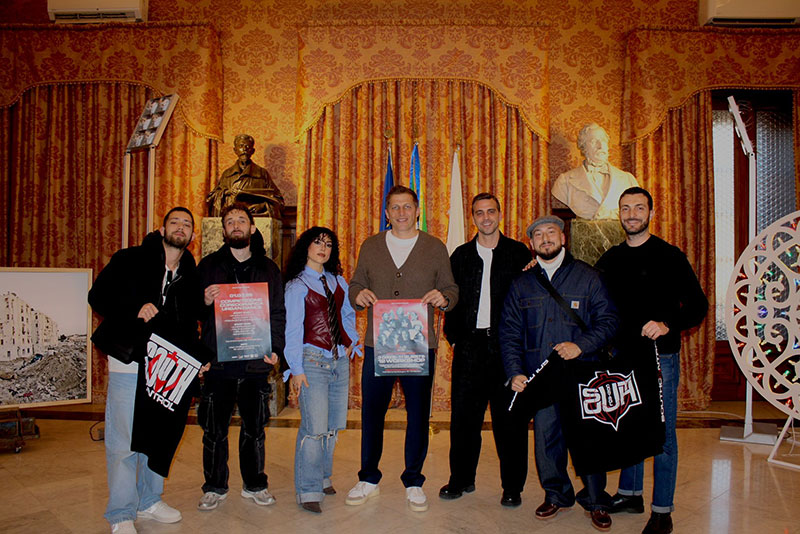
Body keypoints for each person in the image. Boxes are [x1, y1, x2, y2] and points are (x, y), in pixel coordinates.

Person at [595, 187, 708, 534]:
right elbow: (587, 293)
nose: (632, 214)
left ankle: (662, 511)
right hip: (622, 359)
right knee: (628, 426)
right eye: (625, 208)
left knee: (662, 435)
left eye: (639, 208)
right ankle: (630, 494)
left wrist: (667, 323)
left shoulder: (669, 256)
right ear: (619, 214)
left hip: (661, 359)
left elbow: (698, 306)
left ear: (651, 213)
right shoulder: (611, 259)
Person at [499, 215, 619, 531]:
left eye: (551, 232)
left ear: (563, 238)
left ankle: (596, 499)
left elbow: (609, 321)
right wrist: (515, 372)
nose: (545, 239)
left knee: (589, 440)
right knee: (546, 440)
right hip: (541, 377)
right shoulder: (521, 283)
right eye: (538, 235)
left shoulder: (589, 277)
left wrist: (581, 345)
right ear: (532, 243)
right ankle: (556, 494)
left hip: (583, 376)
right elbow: (509, 331)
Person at [89, 207, 201, 534]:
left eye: (186, 224)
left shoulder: (190, 272)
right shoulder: (130, 258)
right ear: (162, 229)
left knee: (157, 436)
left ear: (192, 235)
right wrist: (133, 309)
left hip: (167, 369)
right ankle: (121, 512)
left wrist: (199, 358)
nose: (180, 227)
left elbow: (188, 325)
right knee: (124, 440)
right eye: (174, 222)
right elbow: (97, 296)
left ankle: (149, 500)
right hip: (130, 361)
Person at [346, 185, 459, 512]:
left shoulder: (434, 247)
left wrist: (444, 298)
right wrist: (358, 295)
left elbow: (451, 288)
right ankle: (368, 477)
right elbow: (356, 284)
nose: (401, 213)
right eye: (394, 207)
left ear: (417, 210)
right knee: (372, 413)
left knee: (418, 415)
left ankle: (413, 480)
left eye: (407, 206)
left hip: (418, 345)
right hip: (378, 344)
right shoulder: (371, 246)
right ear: (387, 213)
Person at [439, 193, 532, 507]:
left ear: (500, 214)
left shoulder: (519, 253)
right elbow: (451, 299)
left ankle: (512, 487)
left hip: (507, 349)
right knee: (464, 421)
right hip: (469, 347)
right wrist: (454, 338)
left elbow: (529, 300)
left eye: (491, 211)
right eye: (479, 213)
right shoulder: (461, 256)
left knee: (510, 422)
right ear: (473, 217)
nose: (486, 217)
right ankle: (461, 479)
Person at [195, 202, 286, 512]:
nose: (236, 225)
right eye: (230, 221)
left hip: (254, 363)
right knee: (214, 431)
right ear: (223, 230)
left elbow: (277, 313)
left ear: (252, 228)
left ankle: (255, 485)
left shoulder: (269, 269)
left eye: (241, 220)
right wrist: (204, 301)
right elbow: (191, 312)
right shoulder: (208, 266)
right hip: (217, 363)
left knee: (254, 430)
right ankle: (214, 487)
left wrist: (275, 349)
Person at [283, 227, 359, 514]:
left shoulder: (338, 281)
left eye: (328, 244)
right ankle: (308, 489)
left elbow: (347, 314)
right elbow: (292, 330)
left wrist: (351, 342)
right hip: (312, 361)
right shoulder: (297, 285)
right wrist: (296, 368)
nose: (323, 248)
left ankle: (324, 477)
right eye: (317, 242)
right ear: (306, 246)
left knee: (332, 427)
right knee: (314, 428)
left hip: (338, 361)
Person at [551, 123, 639, 220]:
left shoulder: (628, 180)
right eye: (594, 141)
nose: (600, 146)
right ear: (583, 147)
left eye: (603, 140)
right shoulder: (565, 181)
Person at [206, 134, 285, 217]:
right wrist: (226, 192)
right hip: (232, 217)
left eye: (248, 146)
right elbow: (212, 198)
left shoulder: (262, 173)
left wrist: (263, 206)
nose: (244, 149)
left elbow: (278, 200)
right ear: (235, 150)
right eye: (241, 146)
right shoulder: (227, 174)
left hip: (255, 217)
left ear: (252, 151)